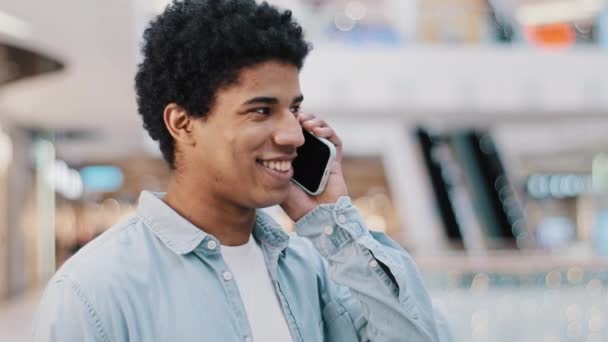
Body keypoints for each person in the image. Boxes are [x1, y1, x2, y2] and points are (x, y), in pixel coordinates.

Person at [33, 0, 453, 341]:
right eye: (261, 110)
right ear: (182, 123)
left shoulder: (313, 269)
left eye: (294, 109)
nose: (292, 134)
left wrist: (335, 224)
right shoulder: (92, 294)